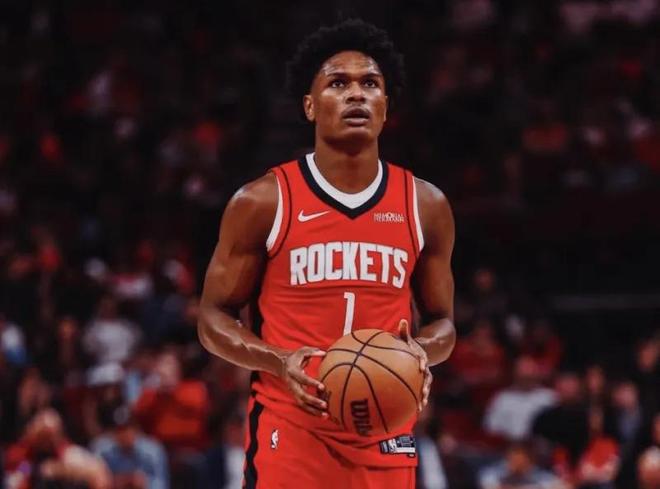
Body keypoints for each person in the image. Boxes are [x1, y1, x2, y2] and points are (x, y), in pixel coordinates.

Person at [197, 19, 456, 489]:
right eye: (338, 83)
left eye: (370, 84)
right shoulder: (263, 201)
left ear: (385, 106)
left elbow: (444, 324)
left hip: (385, 433)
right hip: (290, 435)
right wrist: (277, 360)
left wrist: (418, 352)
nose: (356, 94)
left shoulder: (425, 205)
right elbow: (212, 319)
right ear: (310, 106)